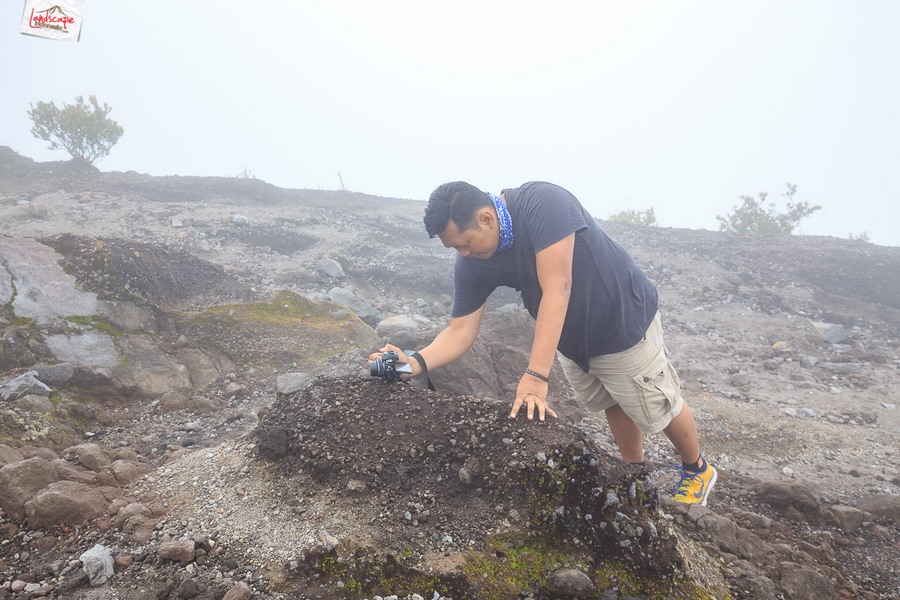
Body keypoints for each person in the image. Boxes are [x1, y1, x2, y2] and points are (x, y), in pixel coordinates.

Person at [370, 181, 716, 506]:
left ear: (486, 218)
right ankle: (635, 475)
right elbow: (460, 330)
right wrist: (413, 363)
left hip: (621, 321)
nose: (462, 253)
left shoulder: (543, 204)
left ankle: (697, 468)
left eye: (464, 243)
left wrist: (536, 375)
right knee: (614, 400)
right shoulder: (472, 263)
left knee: (658, 406)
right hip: (570, 337)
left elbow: (557, 288)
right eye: (455, 248)